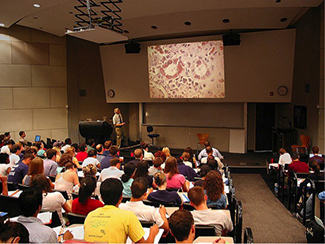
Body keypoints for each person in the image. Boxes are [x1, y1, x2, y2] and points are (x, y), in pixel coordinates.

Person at [84, 178, 159, 243]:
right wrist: (152, 234)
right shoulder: (128, 216)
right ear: (121, 197)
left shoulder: (90, 215)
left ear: (102, 198)